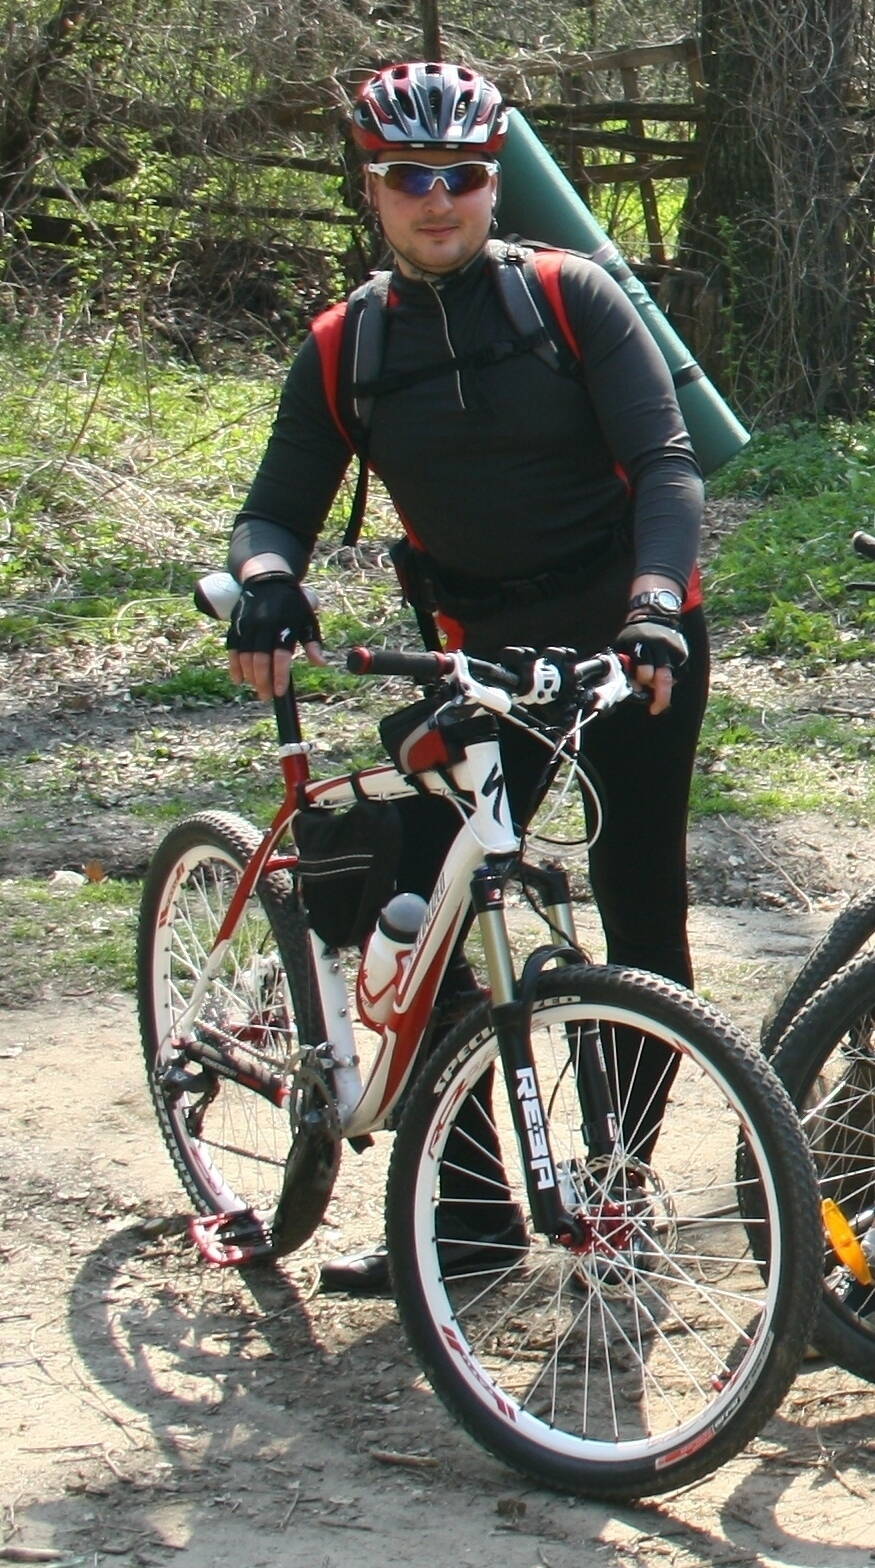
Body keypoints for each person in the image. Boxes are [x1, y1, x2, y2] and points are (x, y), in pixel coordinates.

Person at [225, 61, 708, 1293]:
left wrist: (654, 607)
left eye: (461, 176)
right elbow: (274, 508)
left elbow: (664, 463)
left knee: (636, 899)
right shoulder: (346, 343)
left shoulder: (568, 297)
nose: (436, 199)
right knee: (427, 913)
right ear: (371, 187)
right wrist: (267, 578)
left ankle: (617, 1190)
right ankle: (474, 1217)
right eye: (408, 177)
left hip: (627, 643)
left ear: (493, 182)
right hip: (477, 656)